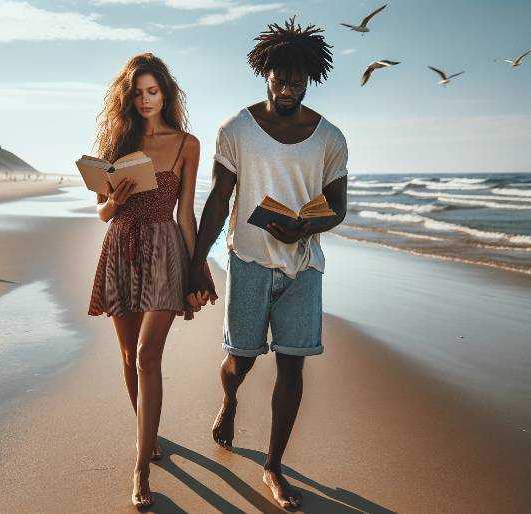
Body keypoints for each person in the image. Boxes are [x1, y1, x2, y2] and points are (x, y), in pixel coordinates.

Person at [186, 17, 349, 509]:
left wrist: (305, 228)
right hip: (249, 261)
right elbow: (220, 199)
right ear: (266, 73)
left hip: (303, 266)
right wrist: (197, 262)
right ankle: (229, 400)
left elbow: (337, 206)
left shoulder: (330, 138)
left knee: (292, 367)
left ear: (310, 79)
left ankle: (273, 466)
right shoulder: (236, 129)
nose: (288, 88)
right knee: (240, 361)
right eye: (280, 78)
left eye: (298, 80)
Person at [88, 52, 216, 508]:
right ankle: (149, 437)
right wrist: (114, 201)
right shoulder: (118, 143)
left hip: (165, 250)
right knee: (128, 355)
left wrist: (199, 266)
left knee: (146, 355)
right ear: (128, 98)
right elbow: (103, 212)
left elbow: (186, 213)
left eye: (153, 91)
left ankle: (140, 466)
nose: (145, 100)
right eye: (138, 93)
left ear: (166, 94)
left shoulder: (186, 144)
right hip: (122, 246)